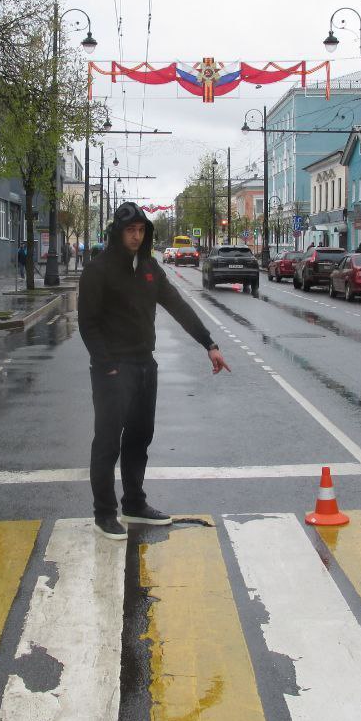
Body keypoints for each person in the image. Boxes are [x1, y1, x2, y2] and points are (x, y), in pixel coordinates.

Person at [78, 202, 230, 541]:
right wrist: (108, 366)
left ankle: (134, 502)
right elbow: (87, 324)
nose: (136, 236)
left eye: (141, 230)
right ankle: (104, 513)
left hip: (146, 366)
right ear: (118, 232)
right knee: (107, 443)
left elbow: (177, 305)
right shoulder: (98, 270)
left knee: (138, 439)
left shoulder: (149, 267)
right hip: (113, 370)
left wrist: (209, 344)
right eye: (130, 230)